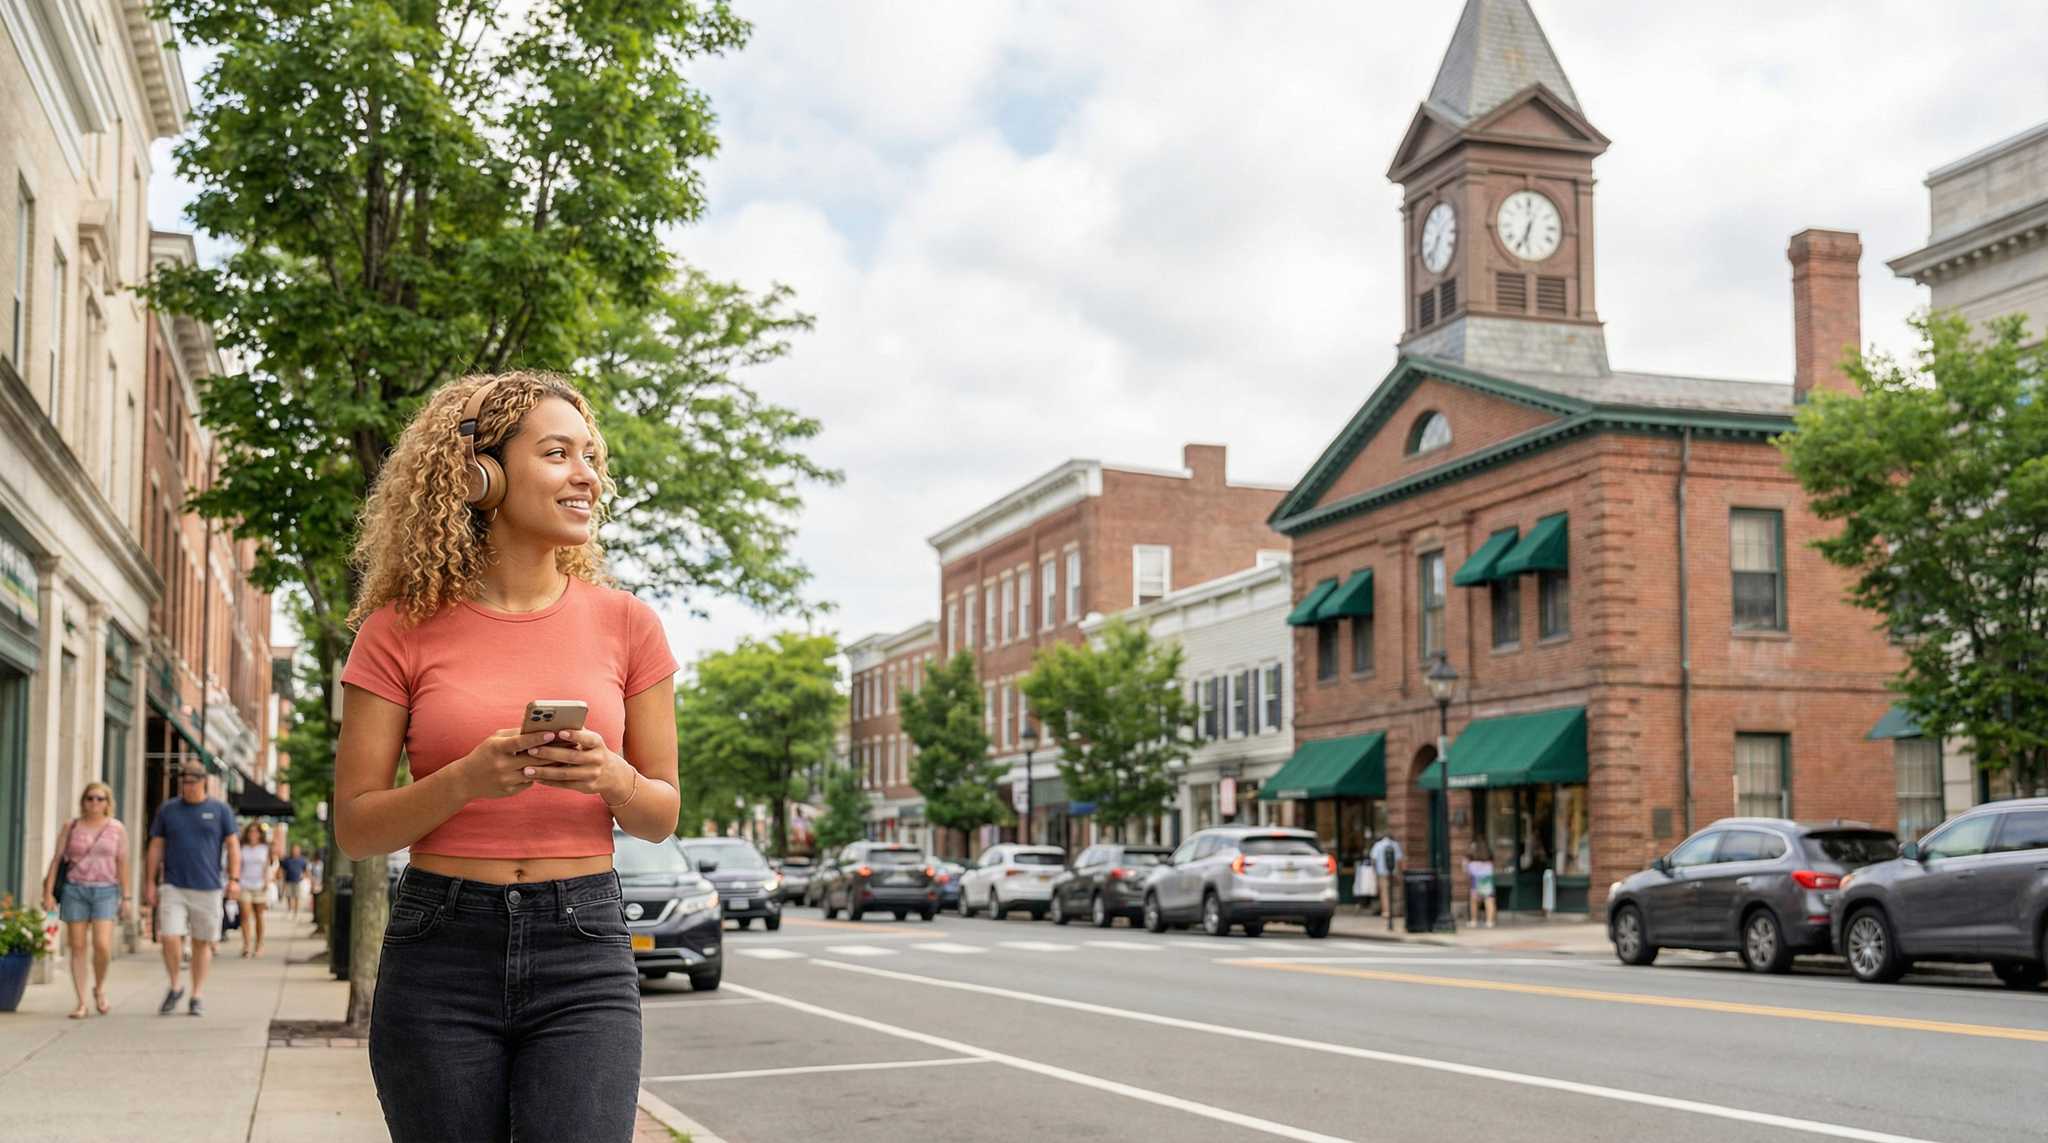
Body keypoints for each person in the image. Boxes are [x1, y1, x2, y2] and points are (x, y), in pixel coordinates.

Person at [335, 373, 680, 1142]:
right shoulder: (398, 628)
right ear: (478, 473)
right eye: (557, 453)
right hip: (439, 949)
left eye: (589, 455)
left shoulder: (630, 625)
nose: (586, 474)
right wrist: (466, 779)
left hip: (583, 945)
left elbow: (661, 813)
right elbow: (357, 826)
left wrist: (613, 777)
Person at [146, 762, 240, 1017]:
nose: (186, 786)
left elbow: (232, 845)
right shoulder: (168, 810)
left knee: (202, 942)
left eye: (191, 781)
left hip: (208, 886)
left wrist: (234, 879)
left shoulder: (220, 810)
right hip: (173, 885)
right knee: (169, 936)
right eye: (183, 781)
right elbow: (156, 846)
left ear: (203, 782)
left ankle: (196, 993)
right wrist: (150, 882)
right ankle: (176, 984)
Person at [39, 782, 130, 1018]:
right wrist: (48, 892)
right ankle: (81, 1002)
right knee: (77, 947)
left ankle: (99, 988)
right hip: (75, 889)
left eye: (100, 799)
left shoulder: (116, 828)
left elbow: (122, 863)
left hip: (106, 890)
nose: (94, 803)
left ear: (108, 803)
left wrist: (127, 897)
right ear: (83, 801)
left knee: (102, 946)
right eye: (90, 798)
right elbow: (57, 859)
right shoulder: (71, 826)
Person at [236, 822, 278, 957]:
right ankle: (246, 945)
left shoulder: (265, 848)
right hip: (245, 884)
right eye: (251, 832)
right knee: (245, 915)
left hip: (260, 885)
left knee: (259, 916)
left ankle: (259, 945)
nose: (253, 834)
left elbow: (269, 866)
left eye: (256, 832)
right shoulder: (242, 848)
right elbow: (238, 865)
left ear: (260, 834)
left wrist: (267, 880)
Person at [1369, 832, 1404, 926]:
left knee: (1384, 893)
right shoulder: (1395, 845)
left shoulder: (1377, 845)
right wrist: (1399, 872)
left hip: (1381, 872)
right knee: (1395, 892)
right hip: (1393, 872)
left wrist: (1375, 872)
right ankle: (1395, 911)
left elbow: (1373, 859)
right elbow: (1399, 860)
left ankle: (1386, 912)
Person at [1466, 839, 1497, 929]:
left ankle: (1474, 921)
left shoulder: (1472, 864)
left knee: (1474, 902)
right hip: (1487, 883)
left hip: (1476, 883)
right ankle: (1489, 921)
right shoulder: (1489, 863)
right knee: (1489, 902)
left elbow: (1468, 874)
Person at [280, 844, 310, 918]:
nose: (295, 851)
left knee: (297, 896)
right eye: (294, 849)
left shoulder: (302, 860)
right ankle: (290, 910)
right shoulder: (287, 860)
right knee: (289, 896)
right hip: (288, 880)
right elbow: (282, 870)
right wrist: (282, 878)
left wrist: (304, 876)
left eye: (297, 850)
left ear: (299, 851)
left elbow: (306, 871)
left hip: (298, 881)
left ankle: (296, 912)